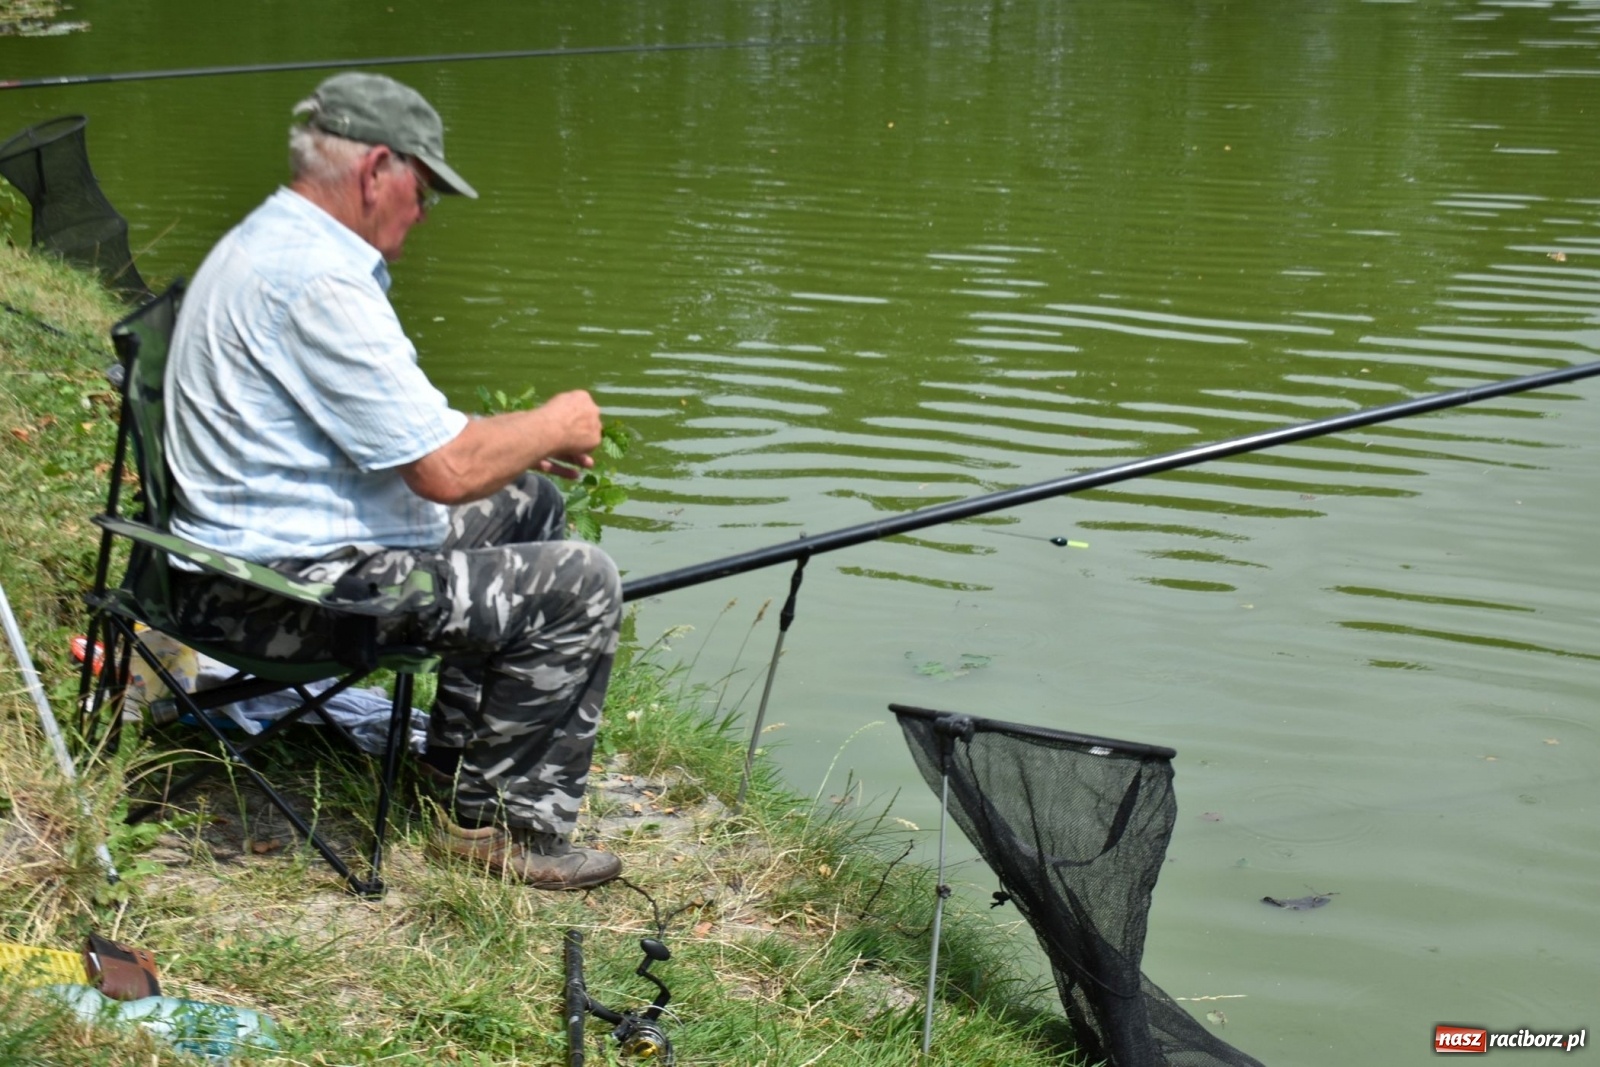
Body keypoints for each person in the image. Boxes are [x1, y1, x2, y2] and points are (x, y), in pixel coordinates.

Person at [163, 71, 622, 890]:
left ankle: (456, 776)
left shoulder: (278, 242)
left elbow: (411, 428)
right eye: (424, 189)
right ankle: (509, 831)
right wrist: (553, 421)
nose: (426, 210)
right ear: (378, 169)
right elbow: (444, 471)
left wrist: (515, 449)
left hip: (244, 559)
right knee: (581, 582)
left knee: (528, 501)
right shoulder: (319, 279)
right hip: (274, 595)